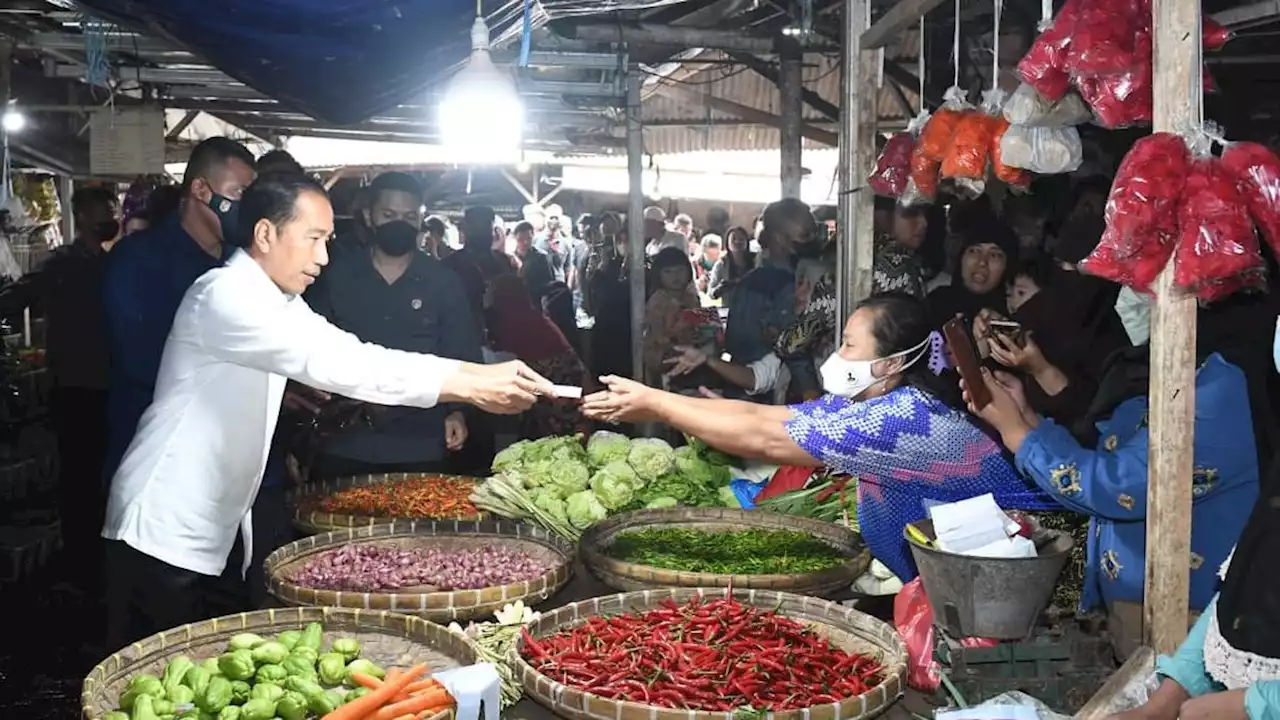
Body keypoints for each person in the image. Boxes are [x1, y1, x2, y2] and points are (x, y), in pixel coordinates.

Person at [102, 173, 554, 648]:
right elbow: (345, 365)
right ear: (265, 234)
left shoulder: (276, 301)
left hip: (217, 524)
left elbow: (355, 348)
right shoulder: (226, 297)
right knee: (157, 681)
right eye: (314, 239)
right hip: (162, 528)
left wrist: (482, 376)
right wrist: (470, 386)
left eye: (329, 241)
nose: (323, 257)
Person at [584, 292, 1062, 580]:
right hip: (966, 577)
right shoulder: (871, 401)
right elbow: (771, 420)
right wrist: (664, 400)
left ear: (891, 364)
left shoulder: (907, 419)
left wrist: (657, 405)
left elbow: (767, 439)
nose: (839, 355)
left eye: (851, 345)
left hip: (1025, 577)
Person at [960, 336, 1258, 653]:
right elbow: (1109, 452)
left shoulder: (1223, 386)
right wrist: (1025, 416)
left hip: (1186, 624)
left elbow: (1122, 487)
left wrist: (1017, 433)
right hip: (1134, 612)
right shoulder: (1175, 368)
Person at [304, 172, 484, 478]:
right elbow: (308, 351)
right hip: (344, 442)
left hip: (420, 442)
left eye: (409, 216)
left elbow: (461, 352)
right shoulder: (335, 276)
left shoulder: (443, 282)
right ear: (368, 216)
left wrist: (458, 412)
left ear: (420, 219)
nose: (399, 223)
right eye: (388, 215)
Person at [102, 137, 256, 483]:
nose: (247, 206)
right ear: (201, 190)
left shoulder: (243, 263)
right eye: (239, 192)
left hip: (229, 459)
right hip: (159, 462)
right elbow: (143, 360)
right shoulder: (138, 260)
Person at [722, 199, 817, 374]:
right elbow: (737, 347)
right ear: (779, 238)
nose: (813, 241)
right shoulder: (753, 287)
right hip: (762, 392)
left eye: (815, 234)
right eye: (805, 235)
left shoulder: (815, 276)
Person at [489, 274, 588, 436]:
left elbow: (506, 358)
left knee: (559, 433)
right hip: (568, 378)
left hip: (554, 382)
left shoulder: (513, 321)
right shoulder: (534, 316)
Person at [926, 220, 1018, 327]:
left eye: (994, 255)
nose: (982, 262)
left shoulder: (1015, 317)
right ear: (961, 257)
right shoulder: (935, 305)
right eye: (974, 251)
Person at [643, 247, 701, 385]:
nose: (675, 276)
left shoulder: (692, 298)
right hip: (661, 361)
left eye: (680, 270)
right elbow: (655, 338)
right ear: (659, 274)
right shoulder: (657, 301)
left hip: (690, 358)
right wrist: (675, 330)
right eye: (668, 271)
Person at [872, 205, 930, 299]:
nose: (924, 223)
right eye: (911, 213)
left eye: (925, 214)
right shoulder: (895, 260)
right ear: (882, 213)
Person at [708, 226, 755, 302]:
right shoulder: (721, 265)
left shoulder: (756, 261)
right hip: (730, 309)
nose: (737, 242)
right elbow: (711, 293)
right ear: (727, 243)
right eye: (734, 239)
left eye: (741, 239)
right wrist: (720, 288)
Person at [513, 220, 554, 304]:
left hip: (535, 302)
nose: (525, 242)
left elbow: (548, 283)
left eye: (529, 238)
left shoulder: (541, 257)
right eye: (521, 239)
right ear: (515, 238)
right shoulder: (510, 257)